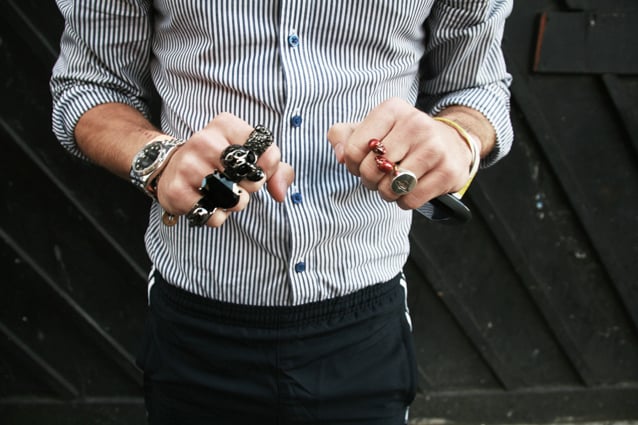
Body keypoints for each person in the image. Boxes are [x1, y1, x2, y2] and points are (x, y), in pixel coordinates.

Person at [50, 1, 513, 424]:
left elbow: (477, 85)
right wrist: (160, 160)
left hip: (364, 317)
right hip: (197, 315)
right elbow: (90, 84)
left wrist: (457, 136)